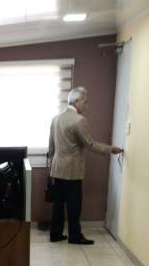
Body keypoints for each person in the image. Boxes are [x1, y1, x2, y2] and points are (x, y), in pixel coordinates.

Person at [48, 86, 123, 245]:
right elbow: (90, 144)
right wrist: (111, 149)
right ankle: (75, 237)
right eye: (85, 102)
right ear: (76, 101)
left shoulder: (55, 119)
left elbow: (51, 148)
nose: (86, 106)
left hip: (57, 168)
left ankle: (55, 234)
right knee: (74, 206)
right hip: (72, 170)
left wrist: (51, 168)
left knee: (58, 205)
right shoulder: (79, 120)